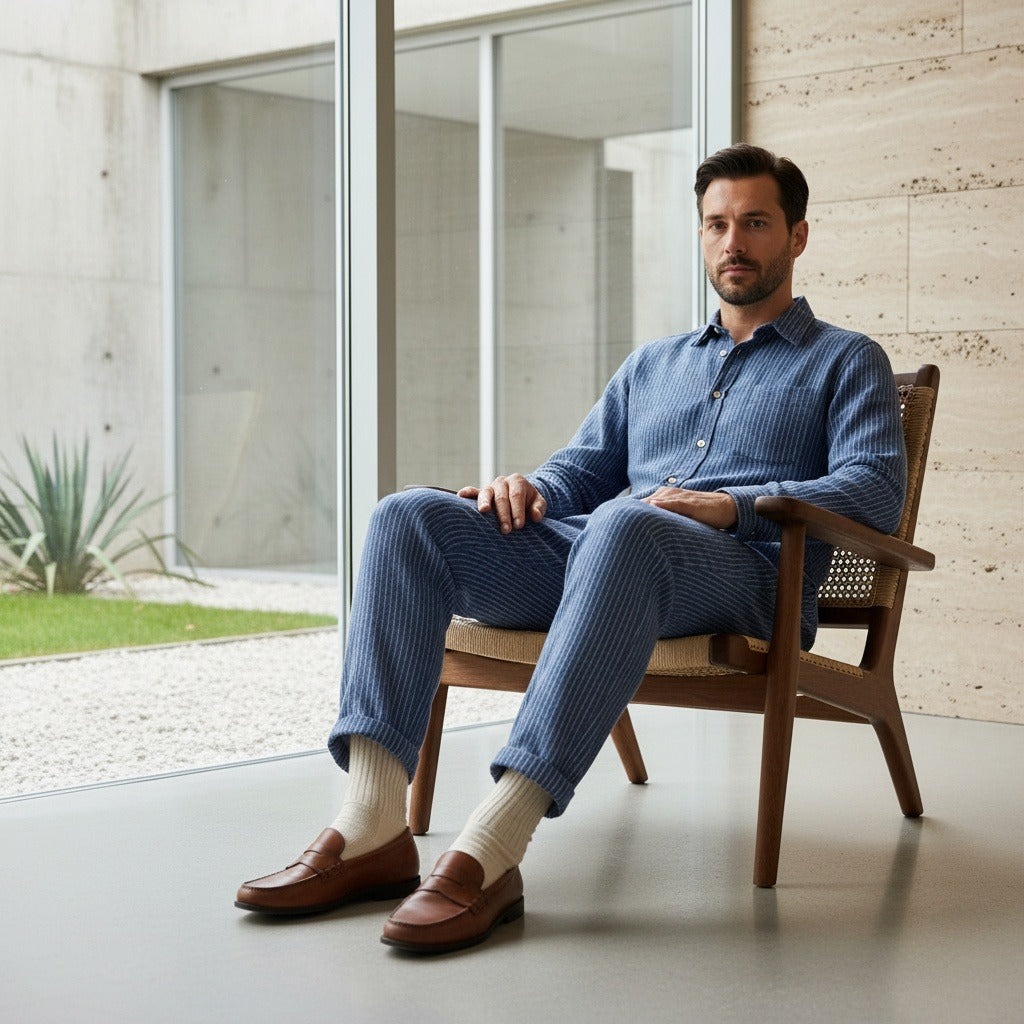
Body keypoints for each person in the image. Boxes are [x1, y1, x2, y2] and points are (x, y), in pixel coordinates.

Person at [235, 144, 907, 954]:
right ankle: (374, 823)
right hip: (610, 555)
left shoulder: (846, 359)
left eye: (756, 223)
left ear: (797, 237)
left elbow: (874, 489)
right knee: (407, 516)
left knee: (627, 527)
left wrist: (728, 507)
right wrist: (534, 489)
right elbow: (584, 468)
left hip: (751, 577)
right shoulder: (652, 364)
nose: (734, 242)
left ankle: (493, 845)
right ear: (700, 236)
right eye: (717, 224)